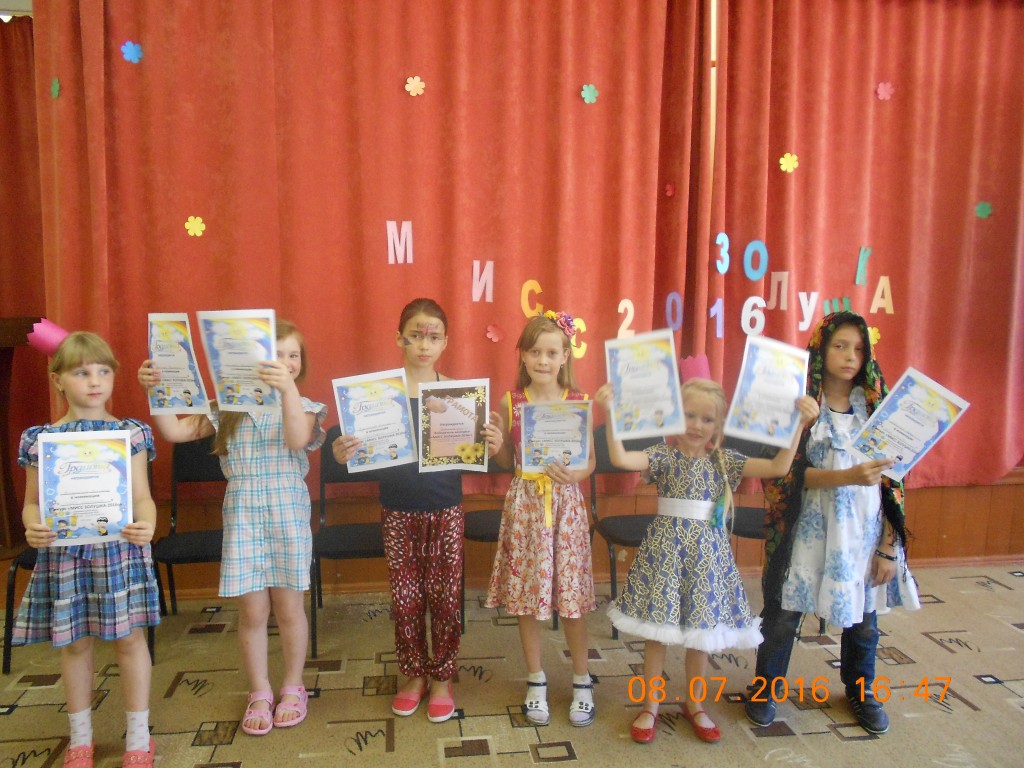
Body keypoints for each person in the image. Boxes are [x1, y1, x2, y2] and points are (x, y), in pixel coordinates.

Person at [595, 377, 819, 744]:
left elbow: (779, 467)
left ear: (718, 425)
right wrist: (611, 413)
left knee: (701, 635)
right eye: (689, 415)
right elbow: (621, 458)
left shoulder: (725, 460)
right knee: (656, 633)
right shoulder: (663, 455)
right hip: (665, 554)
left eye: (707, 419)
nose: (697, 425)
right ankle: (650, 705)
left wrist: (799, 424)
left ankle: (695, 703)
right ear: (674, 415)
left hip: (706, 557)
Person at [138, 319, 326, 736]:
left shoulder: (306, 406)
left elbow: (297, 439)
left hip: (287, 514)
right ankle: (259, 690)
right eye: (275, 355)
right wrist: (157, 390)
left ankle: (293, 686)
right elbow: (174, 430)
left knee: (289, 608)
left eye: (293, 355)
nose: (286, 362)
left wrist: (287, 390)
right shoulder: (226, 407)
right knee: (253, 611)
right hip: (243, 514)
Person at [746, 312, 920, 735]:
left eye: (858, 349)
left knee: (864, 621)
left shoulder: (877, 407)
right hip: (807, 532)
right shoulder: (803, 403)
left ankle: (861, 691)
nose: (850, 356)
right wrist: (846, 475)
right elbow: (783, 478)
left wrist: (887, 548)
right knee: (783, 614)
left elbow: (896, 483)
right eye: (840, 346)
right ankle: (765, 688)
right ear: (821, 350)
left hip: (862, 534)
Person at [331, 298, 503, 723]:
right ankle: (413, 675)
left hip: (445, 509)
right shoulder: (377, 396)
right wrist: (342, 452)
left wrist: (493, 446)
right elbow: (358, 454)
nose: (424, 344)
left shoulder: (458, 395)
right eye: (416, 335)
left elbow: (477, 455)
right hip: (397, 511)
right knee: (406, 602)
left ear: (445, 342)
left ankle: (442, 677)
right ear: (400, 338)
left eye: (433, 337)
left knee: (445, 601)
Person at [15, 331, 160, 767]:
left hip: (120, 552)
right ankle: (80, 739)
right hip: (65, 555)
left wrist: (148, 524)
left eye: (103, 371)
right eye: (81, 372)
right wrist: (32, 527)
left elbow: (143, 497)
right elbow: (32, 503)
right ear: (58, 379)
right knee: (75, 644)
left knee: (130, 640)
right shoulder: (40, 439)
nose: (95, 381)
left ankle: (139, 738)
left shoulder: (130, 433)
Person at [485, 310, 598, 727]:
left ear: (566, 355)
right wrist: (497, 444)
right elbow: (505, 462)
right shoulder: (511, 401)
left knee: (571, 599)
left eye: (552, 352)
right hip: (526, 507)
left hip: (565, 507)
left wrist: (576, 475)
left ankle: (582, 679)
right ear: (523, 355)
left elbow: (590, 460)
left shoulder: (578, 401)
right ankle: (536, 678)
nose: (543, 360)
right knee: (526, 597)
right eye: (535, 352)